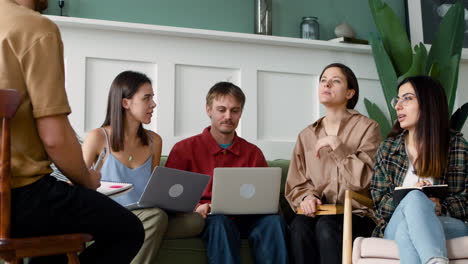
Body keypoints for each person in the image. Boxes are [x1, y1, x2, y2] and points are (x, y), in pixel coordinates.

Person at [0, 0, 144, 263]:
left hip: (21, 202)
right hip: (15, 199)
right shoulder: (35, 27)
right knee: (128, 230)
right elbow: (54, 138)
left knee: (53, 237)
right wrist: (87, 180)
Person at [82, 71, 205, 264]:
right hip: (108, 215)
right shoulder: (97, 138)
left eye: (152, 98)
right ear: (125, 103)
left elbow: (154, 189)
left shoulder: (154, 141)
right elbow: (77, 184)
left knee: (195, 221)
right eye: (146, 98)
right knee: (155, 218)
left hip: (145, 214)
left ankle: (134, 235)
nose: (153, 104)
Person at [165, 82, 288, 264]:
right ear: (209, 110)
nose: (228, 116)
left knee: (273, 223)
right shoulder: (184, 149)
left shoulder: (253, 153)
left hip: (248, 218)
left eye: (235, 111)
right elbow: (170, 195)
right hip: (210, 219)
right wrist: (197, 207)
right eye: (221, 110)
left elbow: (266, 198)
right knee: (220, 222)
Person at [285, 63, 381, 264]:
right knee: (298, 227)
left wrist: (337, 145)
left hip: (358, 215)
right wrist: (307, 197)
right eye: (323, 80)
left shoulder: (368, 128)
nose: (326, 84)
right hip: (320, 213)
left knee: (326, 227)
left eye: (335, 81)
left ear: (349, 93)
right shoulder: (306, 135)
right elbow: (297, 183)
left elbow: (364, 180)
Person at [371, 76, 468, 264]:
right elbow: (379, 205)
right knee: (414, 198)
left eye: (406, 98)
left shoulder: (457, 146)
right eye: (397, 100)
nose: (398, 106)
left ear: (428, 103)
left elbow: (466, 200)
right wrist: (413, 201)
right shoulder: (388, 149)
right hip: (394, 223)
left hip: (447, 223)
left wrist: (440, 206)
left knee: (407, 228)